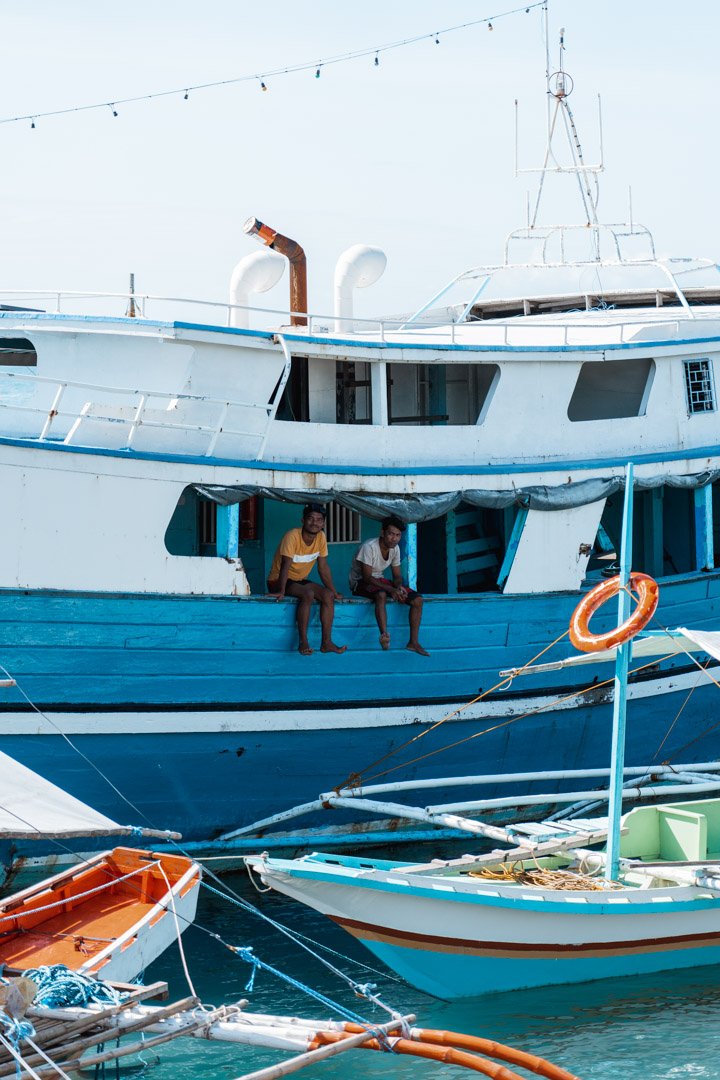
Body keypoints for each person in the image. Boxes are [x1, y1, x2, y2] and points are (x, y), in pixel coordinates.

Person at [267, 503, 346, 656]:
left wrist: (334, 592)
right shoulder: (292, 536)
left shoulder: (321, 537)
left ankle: (326, 643)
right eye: (310, 518)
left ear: (323, 523)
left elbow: (323, 568)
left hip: (299, 581)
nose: (314, 523)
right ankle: (303, 641)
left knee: (328, 595)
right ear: (303, 520)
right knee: (308, 593)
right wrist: (280, 590)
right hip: (278, 580)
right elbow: (285, 566)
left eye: (319, 520)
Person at [349, 516, 429, 656]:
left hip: (380, 581)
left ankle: (413, 642)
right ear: (382, 533)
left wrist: (398, 587)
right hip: (360, 583)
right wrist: (391, 589)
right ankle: (384, 635)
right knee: (381, 595)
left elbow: (397, 576)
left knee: (418, 600)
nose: (394, 538)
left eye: (398, 535)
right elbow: (367, 577)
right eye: (391, 534)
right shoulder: (369, 547)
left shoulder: (395, 549)